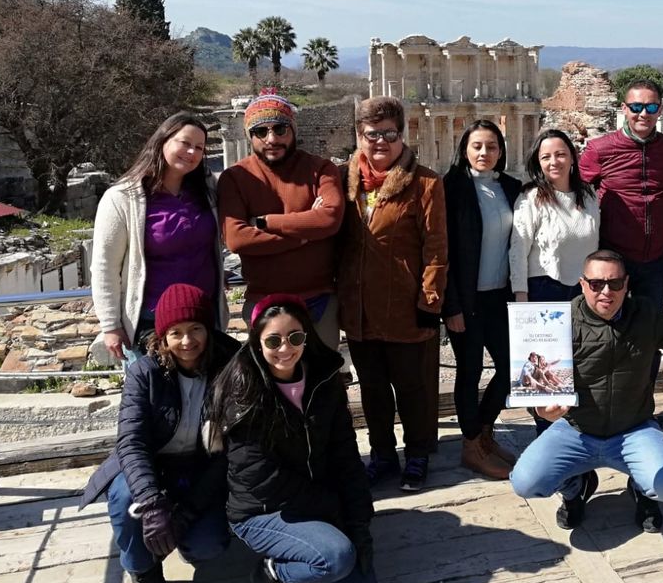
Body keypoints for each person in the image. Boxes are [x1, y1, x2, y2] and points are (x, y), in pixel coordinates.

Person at [509, 250, 663, 533]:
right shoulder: (557, 322)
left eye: (615, 284)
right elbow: (532, 380)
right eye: (596, 284)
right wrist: (540, 410)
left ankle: (642, 489)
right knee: (525, 482)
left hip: (633, 429)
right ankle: (576, 489)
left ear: (627, 284)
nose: (606, 291)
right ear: (583, 284)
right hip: (577, 429)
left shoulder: (645, 314)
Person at [209, 294, 375, 583]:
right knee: (336, 558)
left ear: (307, 337)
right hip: (264, 510)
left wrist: (359, 525)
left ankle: (310, 553)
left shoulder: (324, 380)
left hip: (318, 502)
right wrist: (332, 509)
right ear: (257, 343)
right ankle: (270, 574)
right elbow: (263, 480)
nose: (285, 348)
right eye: (273, 340)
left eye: (295, 337)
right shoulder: (244, 391)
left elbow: (346, 456)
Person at [80, 284, 238, 583]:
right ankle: (143, 570)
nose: (187, 341)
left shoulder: (229, 366)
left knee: (208, 547)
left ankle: (182, 533)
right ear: (162, 337)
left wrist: (188, 513)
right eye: (176, 332)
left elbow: (232, 450)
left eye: (196, 329)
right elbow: (131, 442)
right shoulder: (144, 372)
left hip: (201, 465)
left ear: (208, 329)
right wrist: (152, 505)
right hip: (152, 462)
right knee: (127, 499)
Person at [335, 96, 447, 493]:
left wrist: (429, 301)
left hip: (404, 306)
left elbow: (436, 249)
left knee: (412, 388)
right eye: (371, 134)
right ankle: (382, 454)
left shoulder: (426, 183)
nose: (379, 142)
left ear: (402, 134)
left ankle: (416, 454)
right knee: (373, 388)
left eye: (388, 133)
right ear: (359, 136)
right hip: (360, 308)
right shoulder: (344, 181)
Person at [91, 112, 227, 365]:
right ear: (163, 140)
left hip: (203, 320)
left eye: (199, 147)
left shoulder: (208, 192)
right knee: (155, 401)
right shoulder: (122, 198)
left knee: (207, 400)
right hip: (149, 324)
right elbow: (104, 266)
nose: (192, 152)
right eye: (184, 143)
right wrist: (110, 325)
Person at [216, 92, 345, 351]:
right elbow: (237, 238)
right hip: (264, 300)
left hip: (319, 299)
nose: (272, 138)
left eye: (280, 128)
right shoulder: (235, 178)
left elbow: (330, 219)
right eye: (260, 131)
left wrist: (263, 222)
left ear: (293, 130)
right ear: (249, 136)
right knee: (269, 386)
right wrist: (306, 233)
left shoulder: (321, 169)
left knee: (323, 382)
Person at [442, 119, 523, 480]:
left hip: (500, 297)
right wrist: (451, 306)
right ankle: (471, 446)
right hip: (467, 299)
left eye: (491, 147)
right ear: (464, 150)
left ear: (501, 151)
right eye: (477, 146)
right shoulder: (452, 188)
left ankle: (483, 433)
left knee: (511, 369)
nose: (484, 153)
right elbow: (442, 252)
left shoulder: (511, 186)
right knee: (469, 371)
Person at [579, 82, 663, 314]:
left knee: (650, 329)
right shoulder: (599, 150)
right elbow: (576, 193)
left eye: (651, 108)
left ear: (660, 110)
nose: (643, 114)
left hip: (655, 259)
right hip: (614, 258)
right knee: (611, 327)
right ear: (624, 109)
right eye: (636, 107)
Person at [510, 128, 600, 304]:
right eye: (546, 157)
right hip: (544, 288)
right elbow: (518, 250)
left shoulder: (589, 195)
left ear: (572, 157)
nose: (554, 162)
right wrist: (520, 293)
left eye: (560, 154)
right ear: (538, 163)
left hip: (585, 289)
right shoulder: (531, 198)